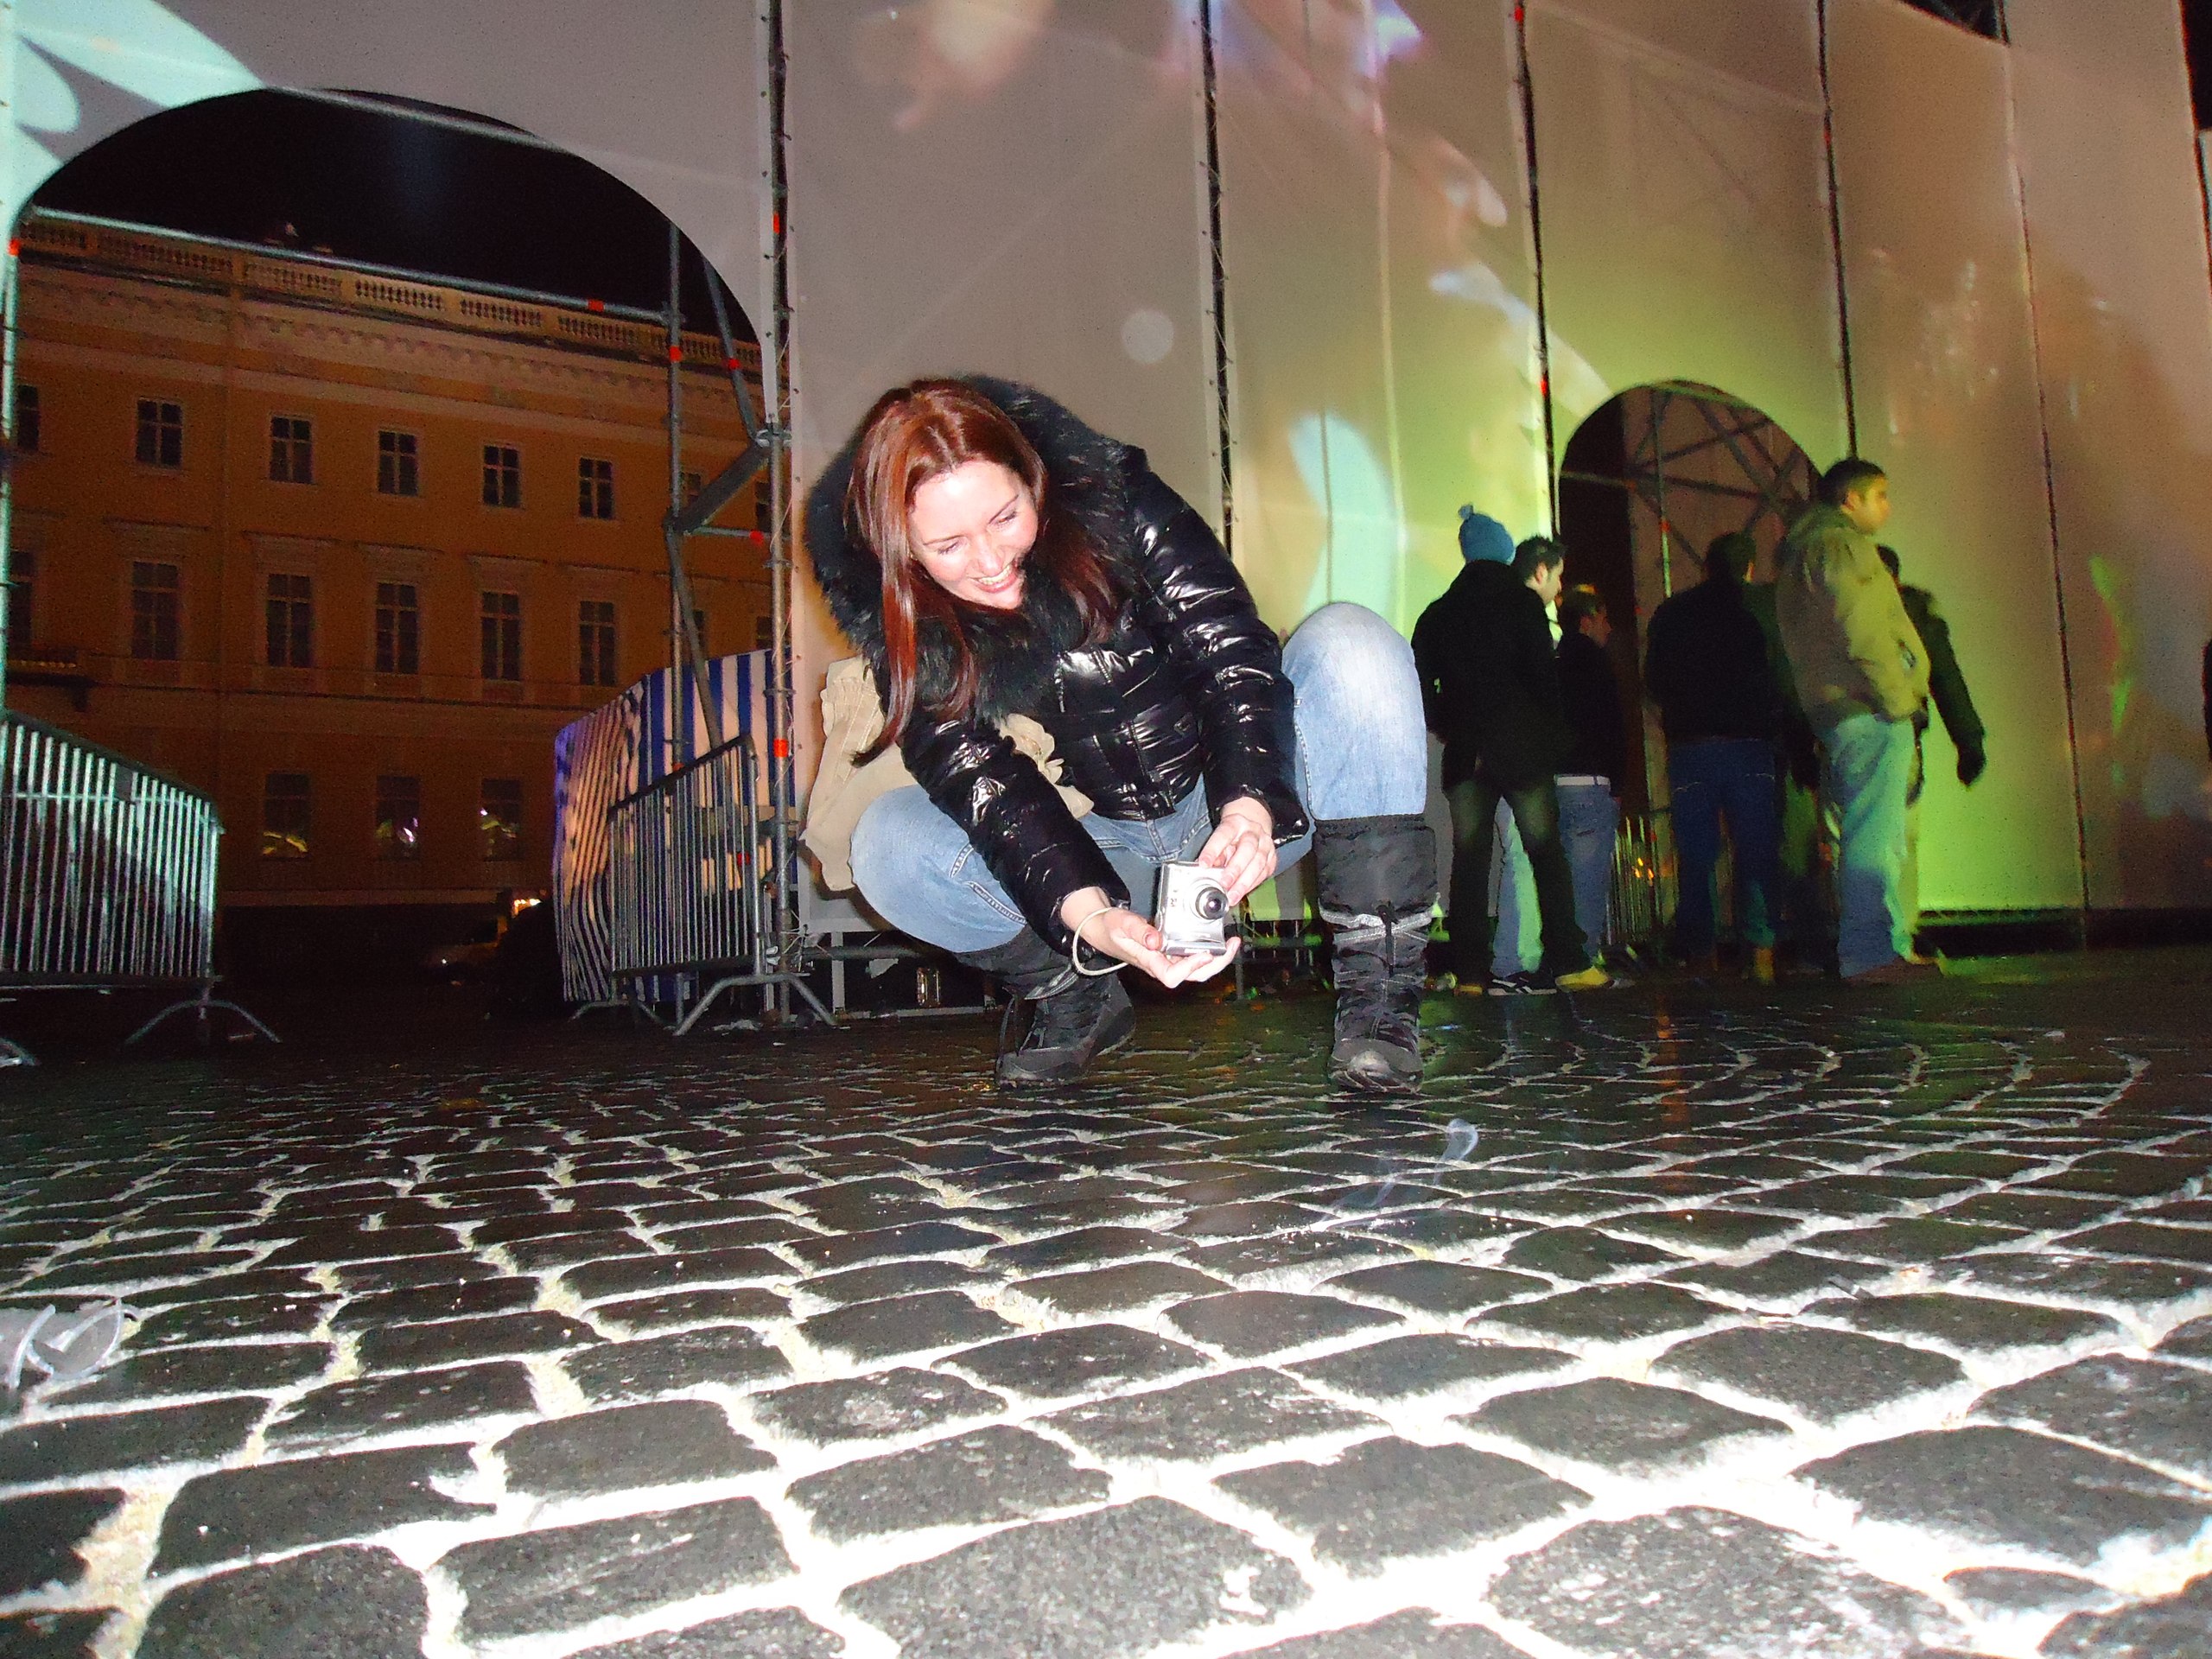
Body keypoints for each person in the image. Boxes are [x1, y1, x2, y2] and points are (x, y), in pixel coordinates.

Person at [806, 378, 1435, 1091]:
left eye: (1006, 517)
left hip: (1234, 800)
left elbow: (1226, 645)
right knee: (888, 844)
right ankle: (1075, 995)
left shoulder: (1116, 500)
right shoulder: (902, 620)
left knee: (1353, 642)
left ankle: (1379, 1003)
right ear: (903, 554)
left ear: (1035, 479)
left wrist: (1250, 804)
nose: (989, 561)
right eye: (948, 545)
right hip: (1092, 848)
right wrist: (1092, 922)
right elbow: (986, 786)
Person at [1413, 522, 1609, 994]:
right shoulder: (1522, 604)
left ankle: (1470, 972)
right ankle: (1568, 961)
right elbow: (1543, 680)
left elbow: (1420, 686)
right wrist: (1551, 735)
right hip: (1521, 748)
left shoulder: (1438, 613)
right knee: (1546, 854)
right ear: (1502, 552)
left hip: (1466, 752)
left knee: (1470, 861)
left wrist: (1448, 723)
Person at [1775, 460, 1931, 985]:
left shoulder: (1803, 550)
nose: (1887, 507)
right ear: (1850, 499)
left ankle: (1879, 947)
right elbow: (1863, 628)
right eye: (1879, 496)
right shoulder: (1841, 547)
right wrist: (1897, 699)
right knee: (1874, 834)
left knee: (1868, 831)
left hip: (1838, 705)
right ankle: (1870, 952)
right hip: (1867, 705)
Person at [1643, 531, 1785, 982]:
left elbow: (1654, 682)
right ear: (1749, 567)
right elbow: (1781, 675)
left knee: (1697, 854)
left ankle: (1701, 954)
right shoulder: (1763, 608)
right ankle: (1760, 952)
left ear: (1706, 567)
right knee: (1756, 850)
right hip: (1750, 744)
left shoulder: (1673, 613)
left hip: (1691, 746)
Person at [1878, 545, 1987, 939]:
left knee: (1861, 838)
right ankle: (1900, 935)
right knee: (1904, 835)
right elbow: (1947, 679)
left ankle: (1872, 937)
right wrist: (1969, 741)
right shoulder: (1917, 617)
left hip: (1854, 737)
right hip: (1905, 736)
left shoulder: (1843, 612)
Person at [1555, 583, 1627, 963]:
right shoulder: (1597, 665)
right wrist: (1618, 780)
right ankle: (1583, 960)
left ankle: (1561, 955)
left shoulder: (1551, 662)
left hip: (1556, 783)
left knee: (1562, 878)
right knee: (1588, 879)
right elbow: (1612, 727)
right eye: (1602, 618)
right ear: (1586, 621)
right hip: (1592, 782)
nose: (1608, 627)